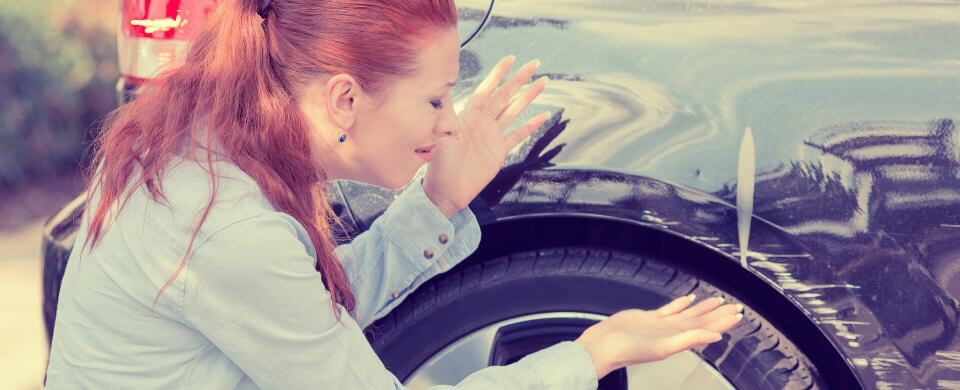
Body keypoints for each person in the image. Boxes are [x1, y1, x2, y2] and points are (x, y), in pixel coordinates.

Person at [43, 0, 743, 388]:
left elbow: (310, 321)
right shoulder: (228, 230)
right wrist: (593, 352)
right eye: (436, 98)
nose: (448, 124)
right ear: (344, 97)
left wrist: (436, 205)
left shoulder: (207, 137)